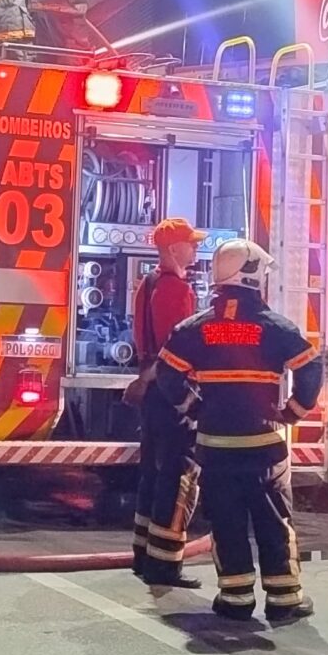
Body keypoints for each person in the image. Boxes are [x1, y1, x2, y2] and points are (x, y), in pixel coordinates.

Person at [153, 238, 324, 623]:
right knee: (273, 519)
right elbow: (311, 367)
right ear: (252, 275)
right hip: (264, 445)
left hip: (214, 446)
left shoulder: (195, 328)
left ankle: (235, 598)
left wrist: (194, 406)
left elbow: (166, 374)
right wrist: (293, 411)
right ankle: (284, 599)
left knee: (226, 521)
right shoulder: (275, 327)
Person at [128, 218, 204, 591]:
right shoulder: (176, 289)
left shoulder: (148, 283)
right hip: (172, 390)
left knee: (152, 474)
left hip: (153, 391)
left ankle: (143, 555)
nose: (195, 249)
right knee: (179, 477)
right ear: (174, 249)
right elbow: (180, 346)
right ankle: (165, 565)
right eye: (190, 243)